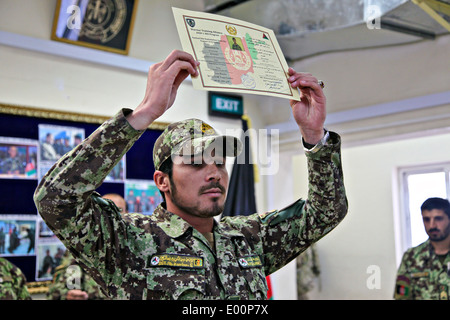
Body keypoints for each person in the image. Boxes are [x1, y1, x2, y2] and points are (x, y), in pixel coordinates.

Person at [34, 50, 347, 300]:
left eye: (220, 162)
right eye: (196, 163)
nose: (214, 173)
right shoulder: (128, 240)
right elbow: (54, 199)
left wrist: (314, 137)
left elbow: (325, 213)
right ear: (163, 181)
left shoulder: (249, 238)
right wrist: (143, 113)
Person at [47, 193, 127, 300]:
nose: (112, 215)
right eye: (105, 210)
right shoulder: (80, 248)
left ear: (127, 214)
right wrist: (69, 294)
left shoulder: (136, 248)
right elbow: (67, 286)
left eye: (118, 210)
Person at [394, 197, 450, 300]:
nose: (432, 225)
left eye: (438, 219)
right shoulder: (411, 257)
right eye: (426, 219)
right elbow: (401, 296)